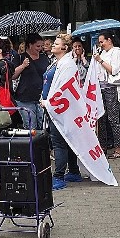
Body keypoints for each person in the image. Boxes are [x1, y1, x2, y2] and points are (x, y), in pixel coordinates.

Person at [40, 34, 82, 188]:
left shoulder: (67, 64)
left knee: (59, 142)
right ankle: (74, 171)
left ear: (64, 47)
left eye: (56, 44)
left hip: (60, 109)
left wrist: (49, 102)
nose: (53, 45)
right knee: (65, 141)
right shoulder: (56, 62)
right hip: (52, 107)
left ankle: (58, 176)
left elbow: (64, 88)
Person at [92, 32, 120, 159]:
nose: (101, 44)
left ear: (109, 40)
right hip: (101, 88)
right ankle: (103, 146)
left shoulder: (116, 51)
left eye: (102, 42)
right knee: (101, 118)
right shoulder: (102, 53)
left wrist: (100, 61)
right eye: (99, 43)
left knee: (113, 118)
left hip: (111, 88)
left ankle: (118, 147)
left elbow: (114, 70)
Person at [12, 33, 48, 129]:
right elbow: (13, 76)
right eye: (37, 46)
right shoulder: (20, 57)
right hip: (25, 98)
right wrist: (23, 66)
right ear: (30, 45)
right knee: (31, 126)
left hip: (41, 98)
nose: (40, 48)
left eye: (41, 46)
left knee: (43, 126)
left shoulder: (44, 57)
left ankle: (41, 144)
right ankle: (32, 144)